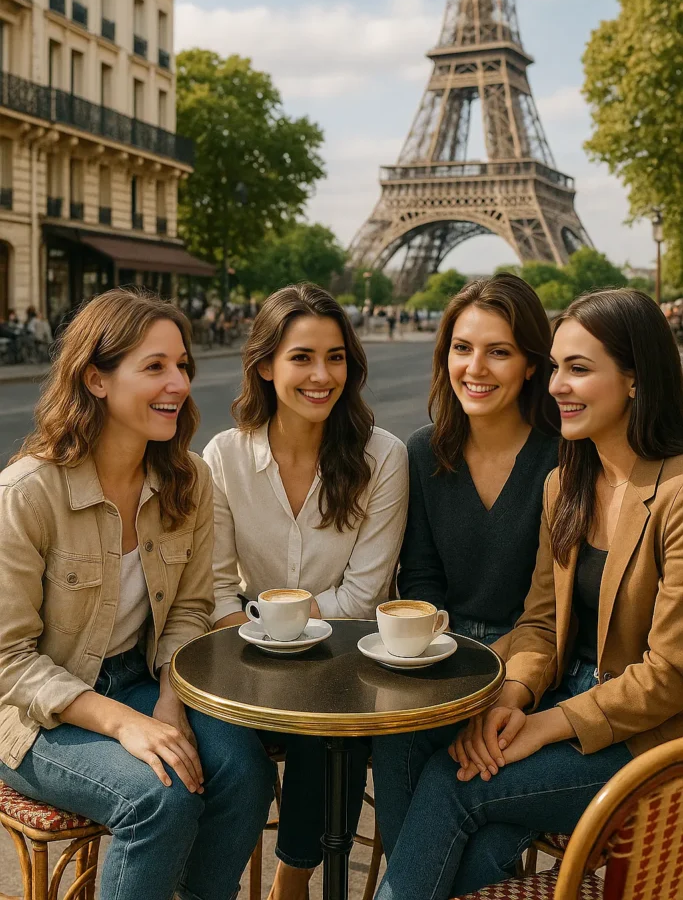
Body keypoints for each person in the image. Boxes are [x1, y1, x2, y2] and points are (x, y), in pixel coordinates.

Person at [374, 287, 683, 899]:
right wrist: (512, 699)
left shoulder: (676, 496)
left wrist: (542, 727)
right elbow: (542, 623)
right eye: (558, 368)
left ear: (635, 380)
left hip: (651, 750)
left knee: (454, 780)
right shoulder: (567, 483)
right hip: (567, 699)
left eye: (580, 369)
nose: (558, 386)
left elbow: (670, 675)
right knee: (484, 830)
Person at [0, 289, 275, 900]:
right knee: (160, 797)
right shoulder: (26, 493)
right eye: (155, 367)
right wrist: (124, 722)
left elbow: (187, 610)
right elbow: (8, 663)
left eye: (182, 365)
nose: (178, 382)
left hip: (142, 676)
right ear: (95, 379)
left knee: (245, 774)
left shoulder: (188, 479)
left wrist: (171, 702)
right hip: (30, 716)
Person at [203, 282, 409, 900]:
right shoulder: (224, 456)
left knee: (331, 718)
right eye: (302, 357)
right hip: (245, 655)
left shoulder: (382, 457)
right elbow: (213, 590)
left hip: (338, 656)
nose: (322, 375)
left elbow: (364, 600)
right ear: (264, 365)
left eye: (336, 357)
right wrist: (269, 632)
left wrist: (276, 622)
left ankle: (290, 880)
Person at [372, 272, 560, 860]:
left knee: (478, 829)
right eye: (462, 348)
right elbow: (421, 577)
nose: (475, 368)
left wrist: (500, 682)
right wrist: (441, 655)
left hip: (531, 670)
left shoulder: (565, 457)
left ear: (532, 364)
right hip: (444, 657)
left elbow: (552, 608)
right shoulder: (425, 451)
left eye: (498, 352)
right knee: (398, 749)